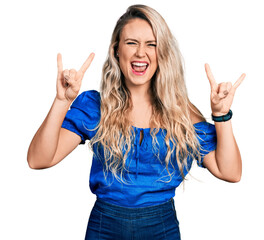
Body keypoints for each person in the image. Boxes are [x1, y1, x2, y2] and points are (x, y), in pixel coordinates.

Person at [27, 4, 245, 240]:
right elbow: (39, 159)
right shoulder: (95, 106)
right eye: (132, 42)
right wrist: (61, 101)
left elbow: (230, 172)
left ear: (162, 54)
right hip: (104, 228)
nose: (141, 52)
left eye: (151, 44)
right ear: (116, 50)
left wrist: (221, 115)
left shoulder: (180, 111)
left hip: (161, 228)